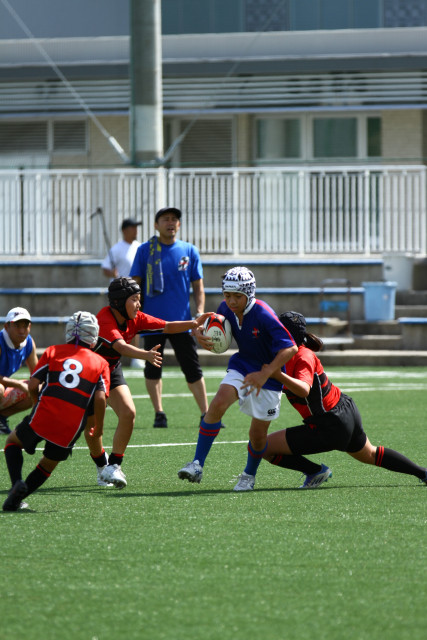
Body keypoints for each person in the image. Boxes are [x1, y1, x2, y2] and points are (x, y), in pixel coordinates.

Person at [258, 311, 427, 488]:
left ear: (287, 335)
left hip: (330, 424)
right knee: (370, 454)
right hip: (344, 412)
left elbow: (303, 390)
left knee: (261, 446)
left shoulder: (302, 356)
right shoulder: (286, 355)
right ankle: (423, 472)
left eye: (276, 330)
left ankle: (315, 471)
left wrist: (277, 375)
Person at [178, 267, 297, 491]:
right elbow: (214, 329)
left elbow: (290, 348)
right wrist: (201, 334)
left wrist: (266, 373)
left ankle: (249, 475)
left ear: (249, 294)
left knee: (257, 435)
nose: (231, 301)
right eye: (227, 295)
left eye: (237, 296)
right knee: (217, 404)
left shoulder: (264, 313)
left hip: (268, 377)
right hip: (242, 366)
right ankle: (197, 464)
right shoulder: (225, 308)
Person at [86, 276, 211, 489]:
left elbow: (167, 326)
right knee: (94, 429)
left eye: (139, 299)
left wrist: (194, 323)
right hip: (90, 373)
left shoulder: (136, 318)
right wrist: (145, 355)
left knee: (128, 413)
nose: (139, 304)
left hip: (111, 370)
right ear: (118, 301)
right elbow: (121, 347)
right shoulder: (104, 319)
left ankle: (114, 465)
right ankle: (101, 465)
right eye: (134, 299)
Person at [2, 311, 110, 512]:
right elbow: (101, 399)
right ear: (94, 336)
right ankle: (17, 500)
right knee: (47, 465)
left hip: (45, 414)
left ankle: (17, 482)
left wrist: (36, 403)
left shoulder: (53, 351)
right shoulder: (101, 363)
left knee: (13, 442)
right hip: (72, 425)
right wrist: (99, 428)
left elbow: (32, 384)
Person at [130, 206, 213, 429]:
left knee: (192, 367)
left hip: (182, 321)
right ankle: (159, 413)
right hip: (152, 322)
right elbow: (135, 283)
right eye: (165, 219)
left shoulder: (189, 250)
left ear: (179, 224)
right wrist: (133, 312)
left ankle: (206, 414)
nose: (170, 222)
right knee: (153, 368)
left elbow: (198, 286)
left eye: (174, 219)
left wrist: (199, 313)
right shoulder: (145, 250)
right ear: (156, 225)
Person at [101, 217, 142, 368]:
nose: (135, 230)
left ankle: (135, 357)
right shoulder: (117, 248)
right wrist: (111, 272)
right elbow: (105, 268)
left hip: (135, 292)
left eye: (136, 227)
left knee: (135, 322)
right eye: (133, 227)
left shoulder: (140, 247)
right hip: (120, 293)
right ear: (124, 230)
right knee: (117, 323)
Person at [0, 307, 38, 435]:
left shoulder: (28, 342)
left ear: (30, 327)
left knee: (36, 388)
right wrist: (19, 384)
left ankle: (1, 419)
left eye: (25, 326)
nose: (22, 330)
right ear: (6, 326)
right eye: (17, 326)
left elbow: (37, 374)